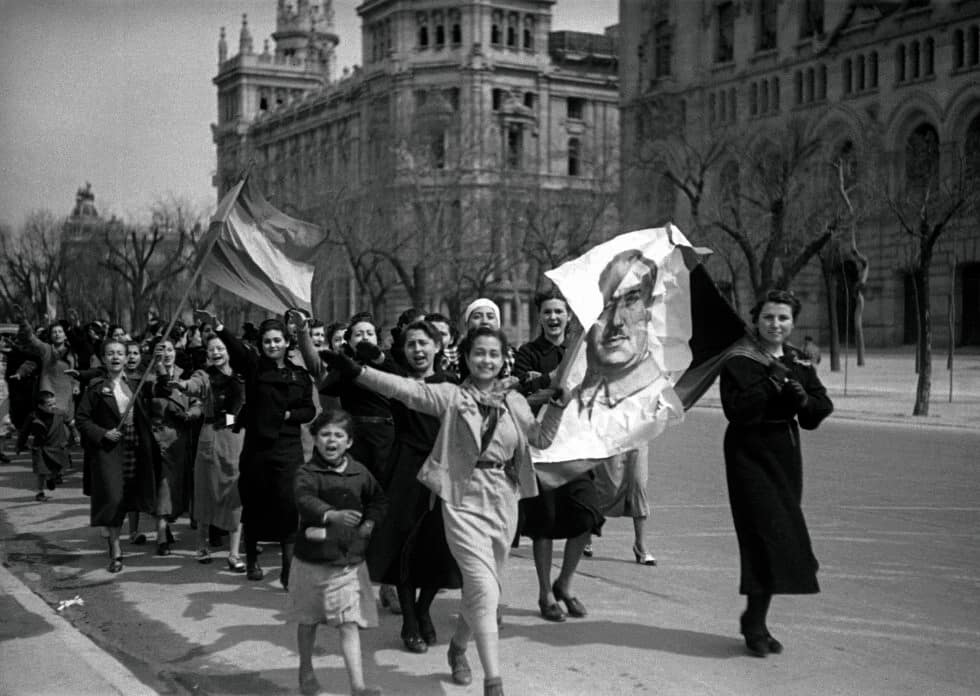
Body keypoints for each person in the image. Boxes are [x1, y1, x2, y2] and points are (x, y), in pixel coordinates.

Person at [322, 326, 565, 696]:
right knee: (482, 586)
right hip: (462, 501)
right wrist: (358, 373)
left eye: (493, 354)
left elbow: (541, 439)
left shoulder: (514, 401)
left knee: (485, 592)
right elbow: (406, 390)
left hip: (503, 500)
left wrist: (559, 406)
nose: (486, 360)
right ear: (466, 358)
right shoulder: (451, 396)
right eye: (479, 353)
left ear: (502, 361)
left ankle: (458, 648)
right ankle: (494, 683)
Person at [720, 289, 833, 658]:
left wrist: (802, 399)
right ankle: (754, 624)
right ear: (757, 319)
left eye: (783, 318)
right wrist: (770, 384)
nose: (776, 324)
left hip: (785, 455)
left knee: (780, 537)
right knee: (760, 536)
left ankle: (756, 618)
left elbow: (818, 409)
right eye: (769, 317)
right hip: (748, 455)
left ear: (793, 322)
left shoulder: (799, 361)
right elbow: (736, 409)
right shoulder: (739, 359)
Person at [363, 320, 462, 654]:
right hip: (405, 470)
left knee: (439, 547)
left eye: (424, 343)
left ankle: (423, 609)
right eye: (411, 344)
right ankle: (409, 619)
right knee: (404, 546)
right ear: (403, 351)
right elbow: (380, 369)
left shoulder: (451, 384)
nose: (418, 350)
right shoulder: (399, 383)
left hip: (443, 471)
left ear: (437, 347)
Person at [299, 311, 400, 612]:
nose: (364, 338)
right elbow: (326, 386)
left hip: (388, 439)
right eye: (358, 334)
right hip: (357, 442)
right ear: (350, 340)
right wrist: (346, 363)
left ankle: (389, 585)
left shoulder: (389, 363)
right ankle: (349, 582)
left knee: (387, 514)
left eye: (369, 333)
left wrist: (377, 360)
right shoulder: (345, 367)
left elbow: (402, 382)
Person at [514, 291, 603, 622]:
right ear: (539, 317)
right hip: (540, 451)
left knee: (588, 514)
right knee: (544, 524)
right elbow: (524, 397)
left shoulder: (581, 354)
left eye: (559, 312)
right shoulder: (527, 354)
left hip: (577, 448)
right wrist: (553, 388)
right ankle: (545, 593)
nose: (553, 318)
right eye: (547, 312)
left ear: (569, 316)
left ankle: (564, 582)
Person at [211, 313, 315, 587]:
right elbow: (237, 351)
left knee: (289, 505)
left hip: (288, 449)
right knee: (255, 502)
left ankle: (287, 569)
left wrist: (289, 414)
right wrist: (219, 328)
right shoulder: (255, 368)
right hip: (258, 449)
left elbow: (309, 410)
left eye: (277, 340)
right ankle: (253, 560)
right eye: (267, 341)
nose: (272, 345)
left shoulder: (300, 374)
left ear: (286, 342)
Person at [290, 409, 387, 696]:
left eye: (338, 435)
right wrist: (330, 514)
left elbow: (378, 500)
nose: (331, 441)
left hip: (347, 563)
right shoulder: (307, 472)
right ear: (316, 440)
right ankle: (306, 673)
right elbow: (303, 499)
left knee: (348, 624)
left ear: (349, 442)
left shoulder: (360, 472)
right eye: (325, 434)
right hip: (311, 562)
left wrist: (369, 522)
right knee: (308, 621)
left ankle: (357, 686)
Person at [75, 339, 157, 573]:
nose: (116, 357)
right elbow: (81, 419)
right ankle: (116, 549)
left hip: (134, 448)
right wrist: (102, 433)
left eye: (120, 353)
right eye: (110, 353)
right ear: (103, 358)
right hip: (109, 451)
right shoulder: (96, 388)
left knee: (129, 497)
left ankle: (132, 534)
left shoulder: (136, 384)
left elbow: (156, 396)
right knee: (112, 498)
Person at [172, 334, 247, 571]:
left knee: (237, 493)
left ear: (229, 351)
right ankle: (202, 544)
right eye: (211, 350)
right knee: (206, 491)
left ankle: (234, 553)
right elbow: (192, 386)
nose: (216, 353)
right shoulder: (204, 375)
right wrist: (181, 386)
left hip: (238, 437)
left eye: (221, 348)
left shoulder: (242, 374)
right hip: (212, 436)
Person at [144, 337, 201, 556]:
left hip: (183, 441)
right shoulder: (148, 381)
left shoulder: (187, 376)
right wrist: (159, 370)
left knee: (178, 487)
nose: (166, 353)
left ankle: (167, 525)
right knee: (164, 487)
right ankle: (160, 533)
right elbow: (154, 400)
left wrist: (192, 413)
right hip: (159, 441)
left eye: (169, 349)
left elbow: (198, 401)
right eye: (161, 350)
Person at [591, 444, 657, 565]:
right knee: (609, 489)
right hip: (612, 432)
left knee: (639, 483)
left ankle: (640, 544)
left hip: (637, 431)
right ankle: (586, 527)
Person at [20, 390, 71, 501]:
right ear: (40, 406)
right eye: (49, 405)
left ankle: (51, 478)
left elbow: (70, 423)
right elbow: (24, 432)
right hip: (40, 447)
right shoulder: (33, 416)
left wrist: (76, 436)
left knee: (55, 467)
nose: (53, 406)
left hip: (56, 446)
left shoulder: (60, 413)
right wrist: (20, 445)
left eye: (54, 403)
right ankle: (39, 492)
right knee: (41, 471)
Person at [461, 299, 515, 378]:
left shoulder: (513, 356)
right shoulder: (452, 356)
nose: (484, 321)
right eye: (477, 317)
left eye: (490, 317)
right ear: (467, 324)